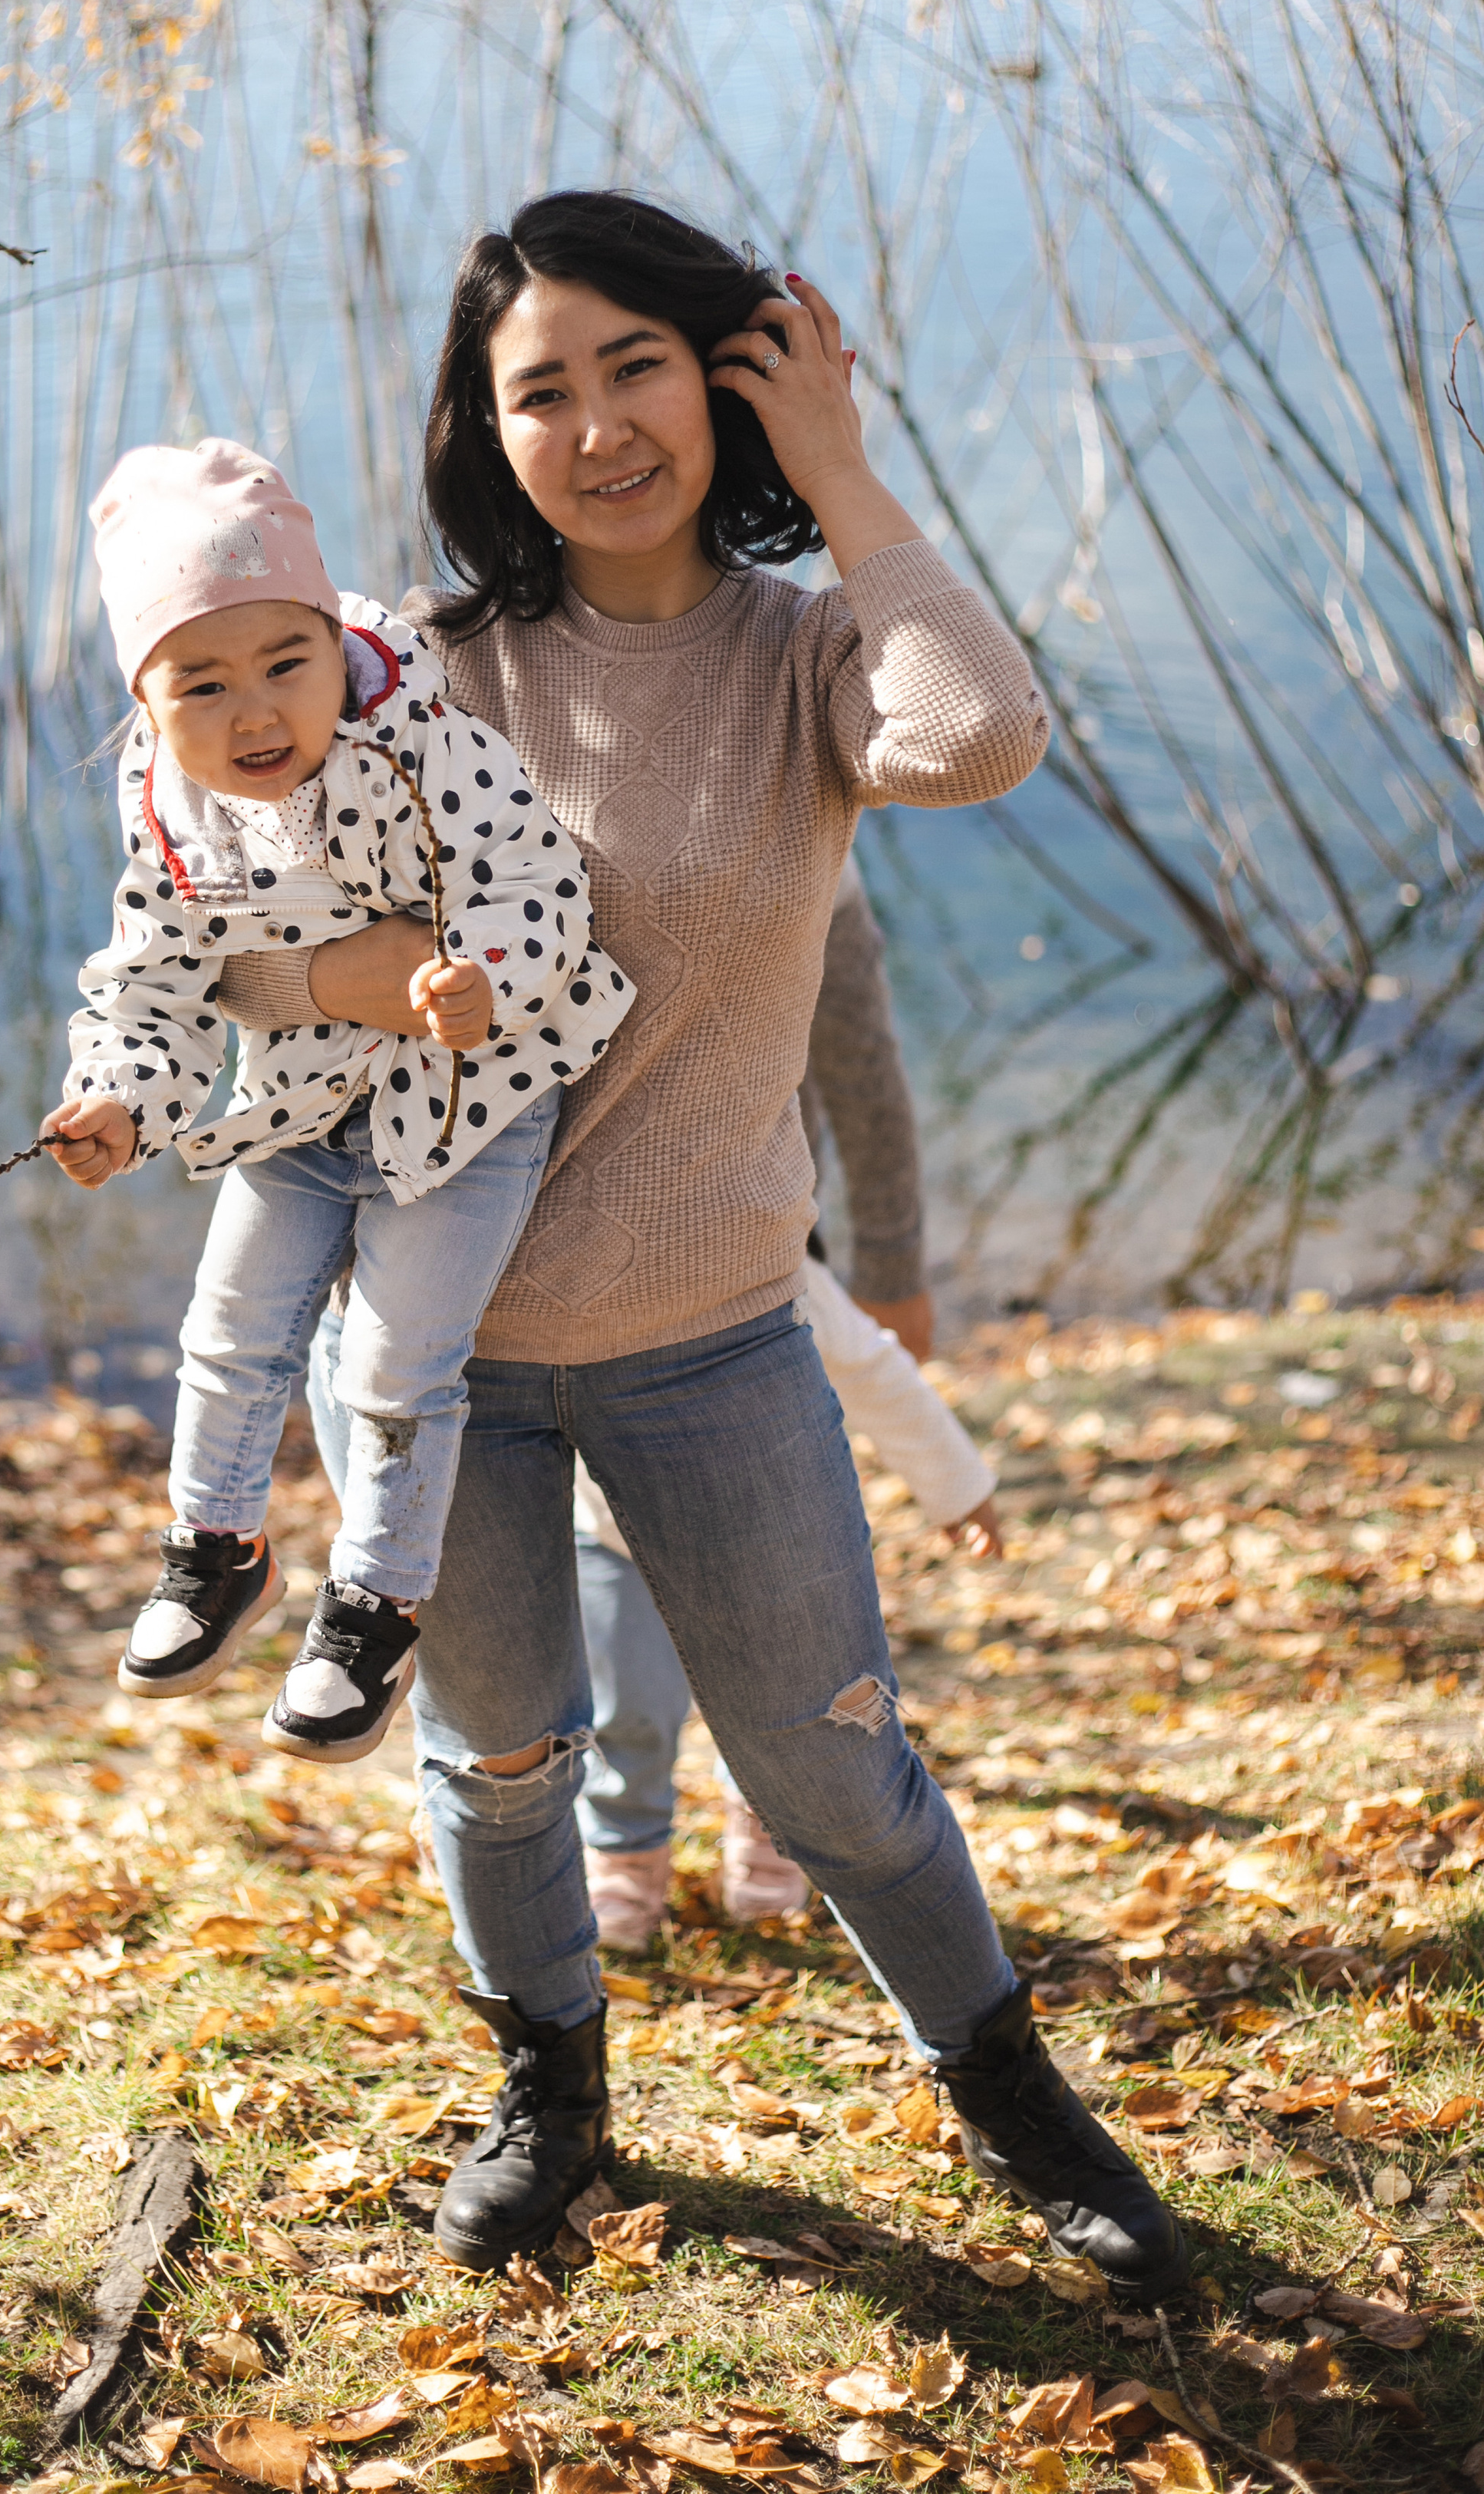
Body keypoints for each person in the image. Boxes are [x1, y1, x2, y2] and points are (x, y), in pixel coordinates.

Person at [216, 191, 1189, 2302]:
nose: (593, 429)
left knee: (834, 1773)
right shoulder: (414, 670)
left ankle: (1014, 2098)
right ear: (485, 430)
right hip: (442, 1360)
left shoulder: (810, 663)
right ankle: (548, 2093)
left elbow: (982, 737)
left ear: (722, 377)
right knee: (498, 1770)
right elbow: (241, 950)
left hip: (717, 1343)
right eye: (538, 392)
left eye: (633, 368)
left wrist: (837, 472)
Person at [40, 437, 629, 1762]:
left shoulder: (426, 740)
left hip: (472, 1096)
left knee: (396, 1365)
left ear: (329, 640)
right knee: (229, 1325)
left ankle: (374, 1605)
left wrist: (487, 977)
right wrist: (118, 1103)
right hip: (301, 1102)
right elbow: (157, 986)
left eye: (283, 665)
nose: (254, 714)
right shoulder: (175, 814)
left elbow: (543, 885)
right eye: (203, 685)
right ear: (147, 700)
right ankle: (217, 1547)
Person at [577, 861, 1000, 1947]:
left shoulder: (764, 1269)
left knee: (780, 1697)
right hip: (604, 1533)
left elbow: (876, 1372)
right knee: (624, 1708)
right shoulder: (559, 1266)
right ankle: (623, 1853)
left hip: (754, 1525)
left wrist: (958, 1489)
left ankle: (770, 1837)